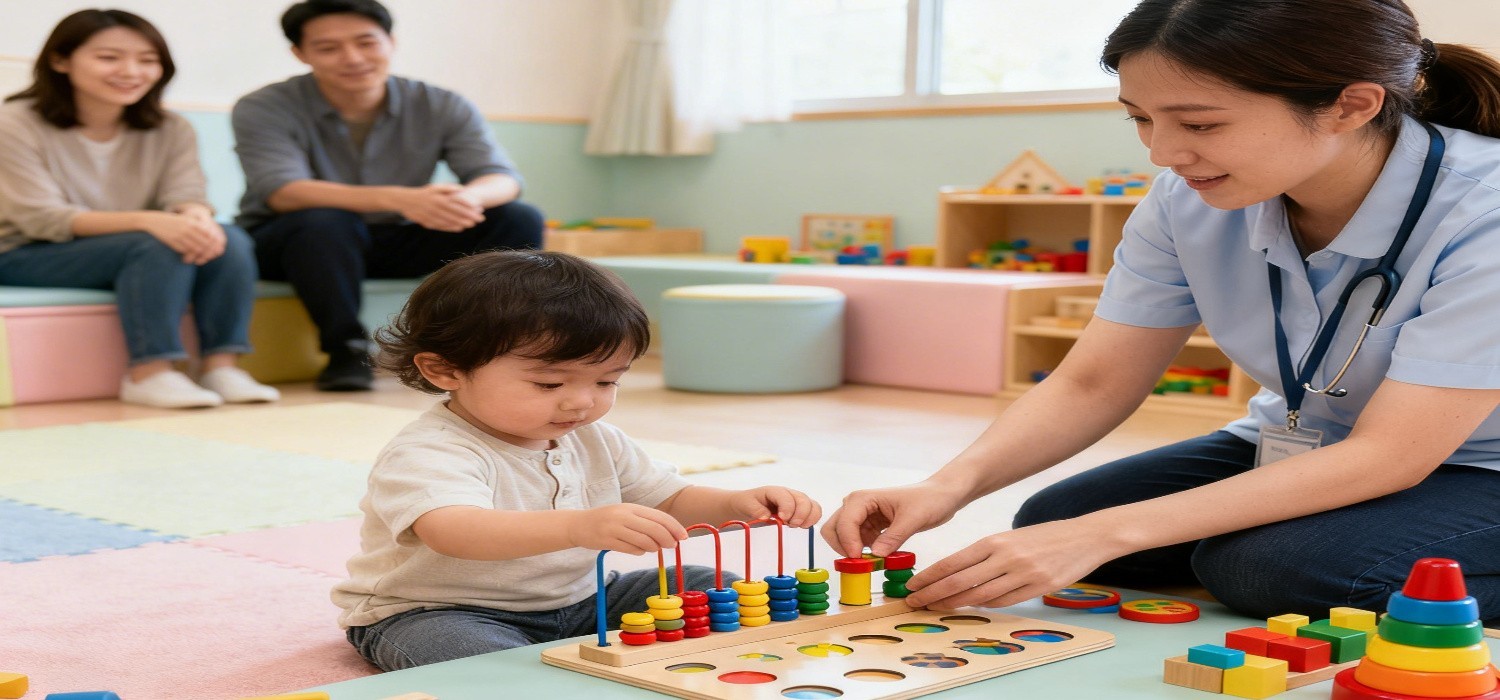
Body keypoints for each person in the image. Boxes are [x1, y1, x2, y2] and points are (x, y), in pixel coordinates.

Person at [824, 0, 1500, 627]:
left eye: (1200, 123)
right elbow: (1095, 381)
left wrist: (1101, 534)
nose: (1163, 152)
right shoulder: (1186, 198)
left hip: (1474, 463)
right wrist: (949, 485)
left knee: (1268, 569)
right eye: (1141, 118)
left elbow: (1392, 453)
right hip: (1319, 437)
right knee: (1055, 520)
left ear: (1350, 105)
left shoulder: (1485, 210)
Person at [332, 250, 821, 670]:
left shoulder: (596, 438)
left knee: (714, 588)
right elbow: (454, 530)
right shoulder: (430, 450)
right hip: (440, 610)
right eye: (549, 384)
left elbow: (670, 498)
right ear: (445, 370)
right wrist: (579, 527)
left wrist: (740, 503)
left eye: (606, 382)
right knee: (478, 664)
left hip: (585, 598)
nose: (581, 403)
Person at [231, 0, 545, 392]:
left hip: (391, 238)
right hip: (293, 244)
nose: (353, 58)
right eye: (328, 48)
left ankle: (496, 346)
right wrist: (403, 199)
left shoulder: (441, 103)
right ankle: (346, 351)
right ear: (300, 53)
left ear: (391, 42)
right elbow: (283, 192)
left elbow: (501, 178)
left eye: (366, 42)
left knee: (517, 218)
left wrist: (466, 199)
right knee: (325, 220)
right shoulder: (264, 107)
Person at [0, 9, 279, 409]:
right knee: (156, 242)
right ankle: (150, 373)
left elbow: (186, 193)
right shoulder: (12, 123)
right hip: (25, 250)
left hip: (129, 247)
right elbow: (39, 216)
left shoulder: (170, 128)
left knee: (229, 238)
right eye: (109, 57)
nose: (131, 70)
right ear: (60, 61)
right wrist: (153, 222)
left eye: (148, 60)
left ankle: (222, 367)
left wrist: (195, 216)